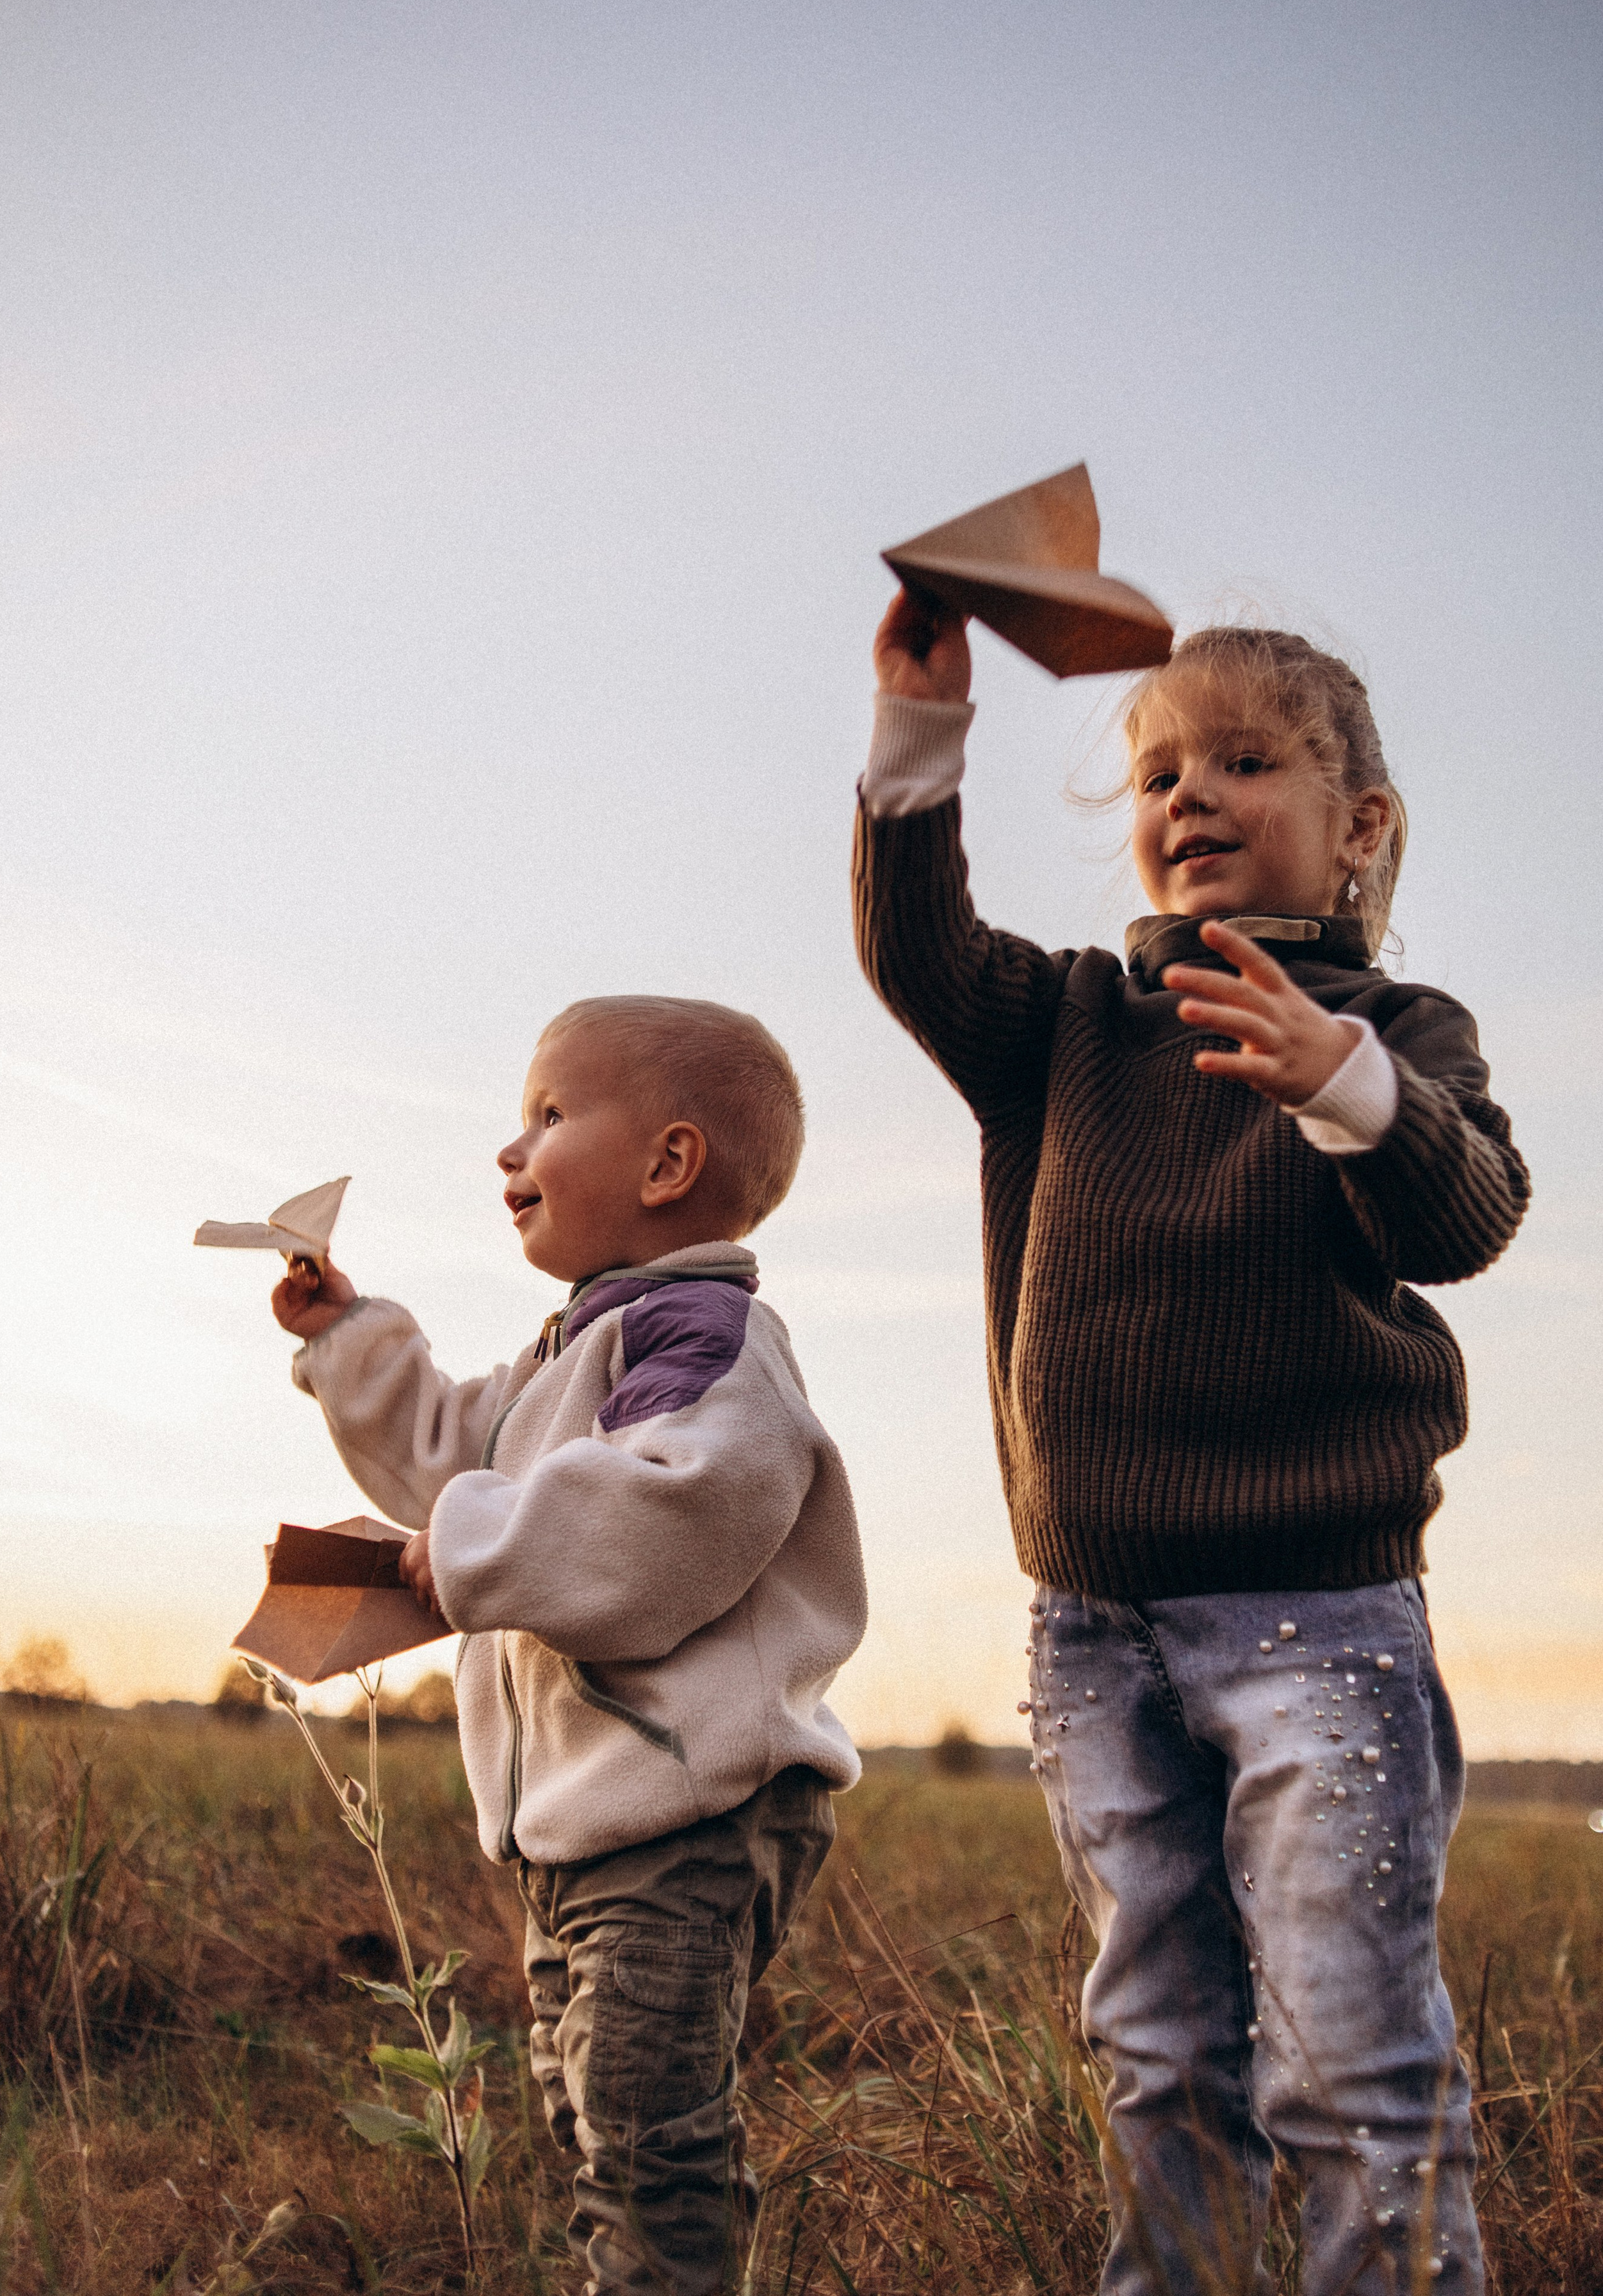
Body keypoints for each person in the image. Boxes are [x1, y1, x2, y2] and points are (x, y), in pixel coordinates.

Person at [852, 597, 1529, 2296]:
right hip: (1094, 1633)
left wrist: (1346, 1081)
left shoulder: (1401, 1031)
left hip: (1322, 1621)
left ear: (1356, 821)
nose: (1190, 795)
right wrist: (920, 734)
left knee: (1348, 2056)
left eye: (1244, 759)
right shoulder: (1069, 1021)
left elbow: (1470, 1214)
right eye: (1159, 770)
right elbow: (919, 958)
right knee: (1159, 2044)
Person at [273, 995, 867, 2296]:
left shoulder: (703, 1343)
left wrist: (475, 1543)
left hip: (688, 1816)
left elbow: (662, 1515)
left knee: (648, 2130)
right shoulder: (571, 1353)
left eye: (548, 1114)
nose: (511, 1147)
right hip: (586, 1827)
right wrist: (349, 1338)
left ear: (666, 1165)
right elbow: (449, 1454)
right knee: (592, 2111)